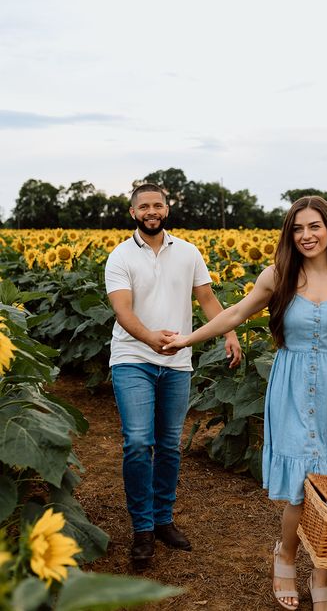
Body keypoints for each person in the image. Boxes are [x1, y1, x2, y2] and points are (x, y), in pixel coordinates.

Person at [164, 195, 327, 610]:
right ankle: (285, 555)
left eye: (314, 227)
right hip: (292, 386)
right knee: (303, 489)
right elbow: (234, 314)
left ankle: (321, 577)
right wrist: (186, 339)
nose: (306, 235)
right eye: (298, 228)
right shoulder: (277, 276)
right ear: (290, 234)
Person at [104, 183, 241, 569]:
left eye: (158, 205)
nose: (152, 211)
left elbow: (208, 299)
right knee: (136, 441)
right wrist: (150, 338)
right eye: (144, 206)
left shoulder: (188, 252)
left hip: (177, 361)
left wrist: (229, 332)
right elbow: (123, 311)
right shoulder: (119, 257)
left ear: (167, 208)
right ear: (133, 212)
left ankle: (163, 519)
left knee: (167, 445)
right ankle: (142, 529)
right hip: (132, 358)